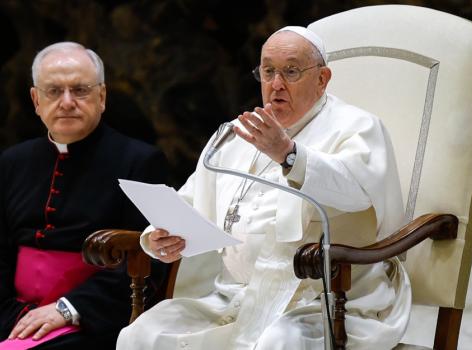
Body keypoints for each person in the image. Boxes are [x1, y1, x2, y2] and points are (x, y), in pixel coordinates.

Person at [117, 26, 411, 350]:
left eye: (291, 71)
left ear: (323, 79)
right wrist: (159, 236)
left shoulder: (358, 127)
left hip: (326, 302)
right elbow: (188, 201)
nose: (276, 84)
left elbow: (356, 191)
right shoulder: (235, 134)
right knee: (140, 335)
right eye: (268, 71)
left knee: (278, 342)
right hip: (236, 297)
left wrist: (289, 155)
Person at [0, 42, 169, 349]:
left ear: (101, 97)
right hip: (13, 312)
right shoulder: (12, 162)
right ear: (36, 100)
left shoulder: (140, 161)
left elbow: (150, 257)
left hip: (93, 318)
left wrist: (69, 308)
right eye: (53, 91)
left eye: (80, 90)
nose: (67, 102)